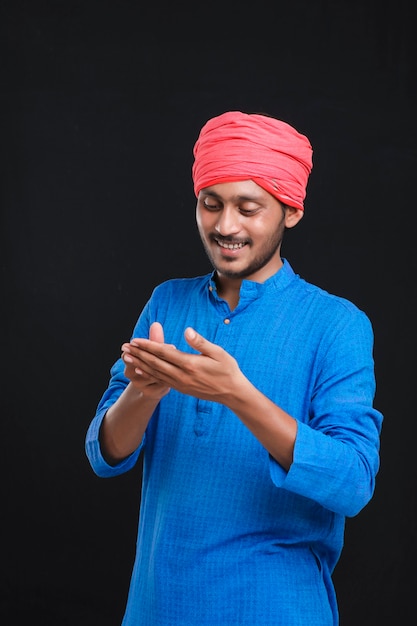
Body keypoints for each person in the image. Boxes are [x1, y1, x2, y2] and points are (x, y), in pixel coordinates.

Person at [85, 110, 383, 626]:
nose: (226, 226)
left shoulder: (336, 324)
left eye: (249, 208)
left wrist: (236, 394)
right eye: (211, 204)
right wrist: (145, 393)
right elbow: (104, 452)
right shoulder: (167, 303)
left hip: (276, 608)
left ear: (290, 211)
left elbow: (353, 481)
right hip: (158, 606)